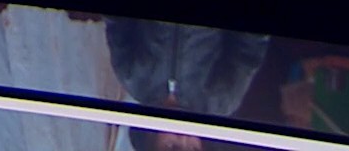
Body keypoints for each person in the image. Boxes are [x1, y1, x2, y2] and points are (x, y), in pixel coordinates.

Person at [104, 16, 271, 151]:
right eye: (193, 149)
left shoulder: (133, 78)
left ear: (150, 138)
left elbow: (117, 23)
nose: (182, 138)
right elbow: (249, 47)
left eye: (171, 147)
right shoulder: (221, 99)